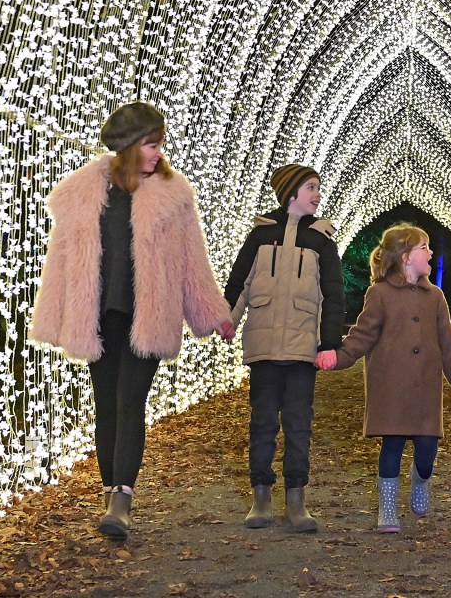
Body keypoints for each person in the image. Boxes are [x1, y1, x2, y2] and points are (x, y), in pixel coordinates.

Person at [27, 101, 236, 539]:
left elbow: (191, 261)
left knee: (129, 402)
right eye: (151, 144)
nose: (158, 153)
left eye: (160, 144)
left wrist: (213, 314)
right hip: (98, 315)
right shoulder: (83, 194)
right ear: (127, 147)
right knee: (106, 406)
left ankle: (122, 499)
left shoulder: (172, 195)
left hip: (149, 316)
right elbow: (61, 261)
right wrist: (53, 316)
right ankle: (109, 495)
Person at [316, 224, 451, 533]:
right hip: (390, 386)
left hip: (425, 388)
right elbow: (362, 335)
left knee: (427, 448)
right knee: (392, 446)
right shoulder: (380, 294)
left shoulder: (435, 297)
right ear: (405, 257)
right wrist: (338, 356)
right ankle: (387, 511)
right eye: (424, 248)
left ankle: (420, 480)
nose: (430, 253)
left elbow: (448, 342)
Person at [222, 163, 346, 532]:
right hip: (262, 345)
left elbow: (333, 296)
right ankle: (261, 495)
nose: (317, 194)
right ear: (290, 193)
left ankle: (296, 498)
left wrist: (328, 344)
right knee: (261, 422)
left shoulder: (322, 240)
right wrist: (227, 317)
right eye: (311, 187)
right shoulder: (260, 236)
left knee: (298, 423)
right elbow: (239, 282)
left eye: (318, 188)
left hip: (302, 349)